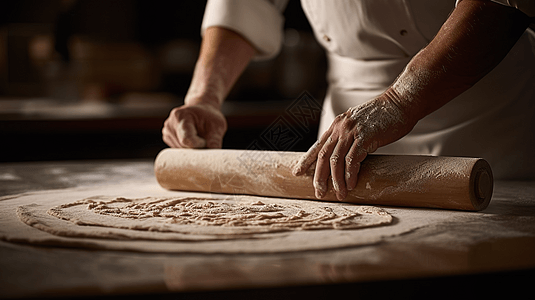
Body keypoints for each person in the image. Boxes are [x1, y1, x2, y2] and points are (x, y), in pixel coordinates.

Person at [162, 0, 535, 201]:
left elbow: (499, 5)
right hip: (344, 132)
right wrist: (205, 96)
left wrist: (400, 102)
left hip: (480, 112)